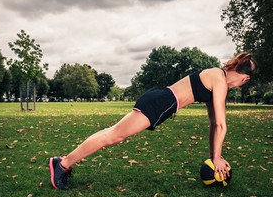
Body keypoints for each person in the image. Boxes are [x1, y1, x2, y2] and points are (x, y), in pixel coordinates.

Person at [49, 52, 257, 189]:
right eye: (244, 82)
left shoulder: (215, 77)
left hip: (161, 101)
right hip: (161, 102)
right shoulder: (219, 79)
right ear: (244, 78)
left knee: (112, 133)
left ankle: (64, 163)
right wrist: (218, 159)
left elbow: (214, 123)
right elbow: (221, 124)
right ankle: (63, 163)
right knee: (112, 136)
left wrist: (214, 158)